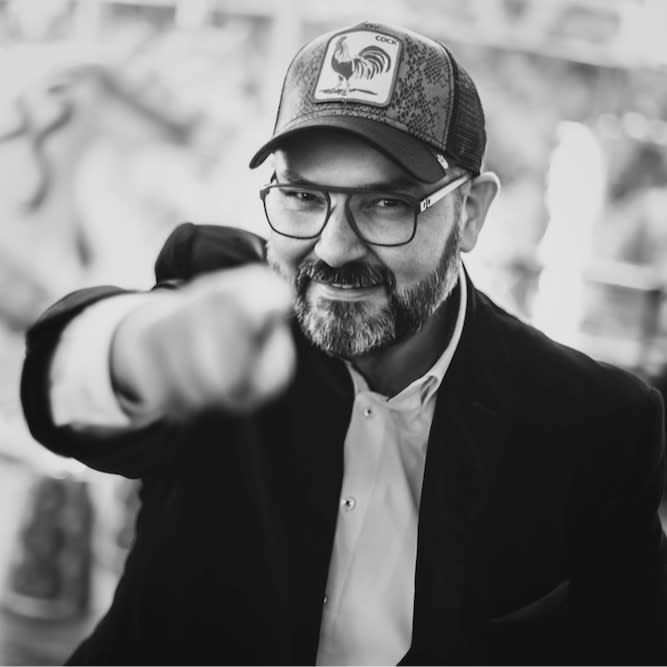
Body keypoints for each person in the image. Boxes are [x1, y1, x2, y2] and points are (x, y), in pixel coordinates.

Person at [21, 21, 667, 665]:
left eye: (385, 204)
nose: (332, 248)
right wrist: (143, 352)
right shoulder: (222, 304)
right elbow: (64, 390)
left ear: (469, 212)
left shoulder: (594, 426)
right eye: (303, 196)